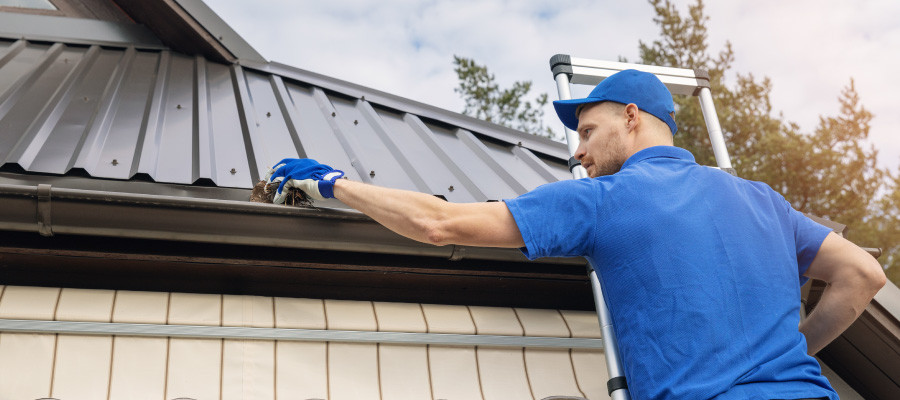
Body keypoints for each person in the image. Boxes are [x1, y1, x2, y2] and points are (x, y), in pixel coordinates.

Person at [264, 69, 885, 400]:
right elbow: (864, 275)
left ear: (632, 119)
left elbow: (440, 222)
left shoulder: (606, 200)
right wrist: (794, 353)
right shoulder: (762, 200)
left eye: (587, 132)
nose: (579, 154)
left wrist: (331, 184)